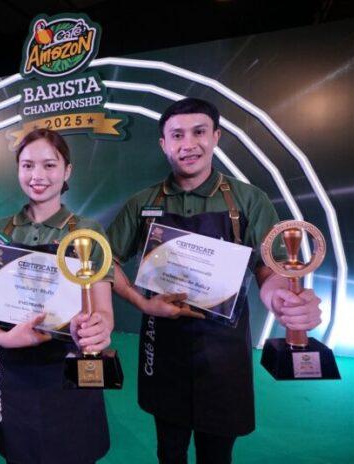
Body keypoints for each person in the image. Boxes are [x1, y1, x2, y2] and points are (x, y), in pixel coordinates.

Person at [106, 98, 322, 464]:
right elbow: (103, 259)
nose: (188, 144)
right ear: (163, 144)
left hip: (225, 346)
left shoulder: (248, 200)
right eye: (177, 135)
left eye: (199, 132)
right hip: (163, 342)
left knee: (218, 452)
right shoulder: (142, 203)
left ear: (216, 137)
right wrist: (141, 302)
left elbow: (268, 269)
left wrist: (281, 301)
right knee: (169, 448)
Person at [0, 128, 114, 464]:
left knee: (76, 452)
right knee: (19, 452)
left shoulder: (87, 231)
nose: (38, 175)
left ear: (67, 171)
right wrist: (2, 337)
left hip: (70, 362)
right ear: (18, 170)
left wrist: (100, 330)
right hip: (12, 368)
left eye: (49, 165)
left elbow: (104, 311)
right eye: (27, 165)